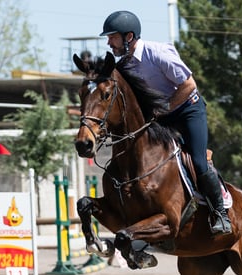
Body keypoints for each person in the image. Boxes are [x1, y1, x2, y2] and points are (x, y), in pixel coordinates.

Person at [99, 10, 231, 235]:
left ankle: (220, 212)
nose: (109, 42)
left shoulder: (159, 53)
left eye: (112, 37)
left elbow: (189, 85)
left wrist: (164, 110)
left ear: (128, 36)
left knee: (198, 161)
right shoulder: (125, 65)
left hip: (188, 110)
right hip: (160, 115)